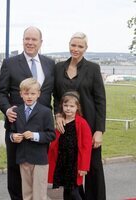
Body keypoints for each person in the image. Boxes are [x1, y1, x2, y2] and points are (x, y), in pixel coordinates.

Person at [0, 26, 55, 200]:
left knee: (38, 172)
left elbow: (54, 92)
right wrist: (7, 109)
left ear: (41, 42)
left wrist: (58, 113)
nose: (29, 42)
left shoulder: (50, 64)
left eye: (34, 39)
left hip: (42, 128)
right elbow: (1, 92)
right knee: (16, 170)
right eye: (26, 39)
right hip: (17, 126)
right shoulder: (10, 63)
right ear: (23, 40)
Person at [54, 32, 106, 200]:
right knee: (70, 167)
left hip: (88, 125)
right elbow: (56, 97)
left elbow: (100, 101)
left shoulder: (93, 68)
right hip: (67, 126)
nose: (75, 49)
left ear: (86, 48)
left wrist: (99, 130)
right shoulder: (58, 67)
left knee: (93, 167)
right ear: (69, 45)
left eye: (80, 46)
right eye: (73, 45)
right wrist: (57, 115)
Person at [10, 78, 55, 200]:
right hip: (23, 158)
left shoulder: (45, 112)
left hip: (39, 159)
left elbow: (51, 135)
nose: (29, 96)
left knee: (39, 194)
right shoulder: (16, 111)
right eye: (26, 93)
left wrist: (34, 135)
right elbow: (12, 131)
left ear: (38, 94)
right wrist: (13, 137)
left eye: (33, 93)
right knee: (27, 193)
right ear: (21, 94)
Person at [48, 91, 92, 200]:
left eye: (72, 106)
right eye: (65, 105)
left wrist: (83, 166)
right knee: (66, 191)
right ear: (61, 106)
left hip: (74, 164)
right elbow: (54, 142)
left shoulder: (82, 123)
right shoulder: (60, 122)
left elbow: (86, 147)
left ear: (77, 107)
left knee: (73, 191)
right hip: (62, 162)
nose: (68, 108)